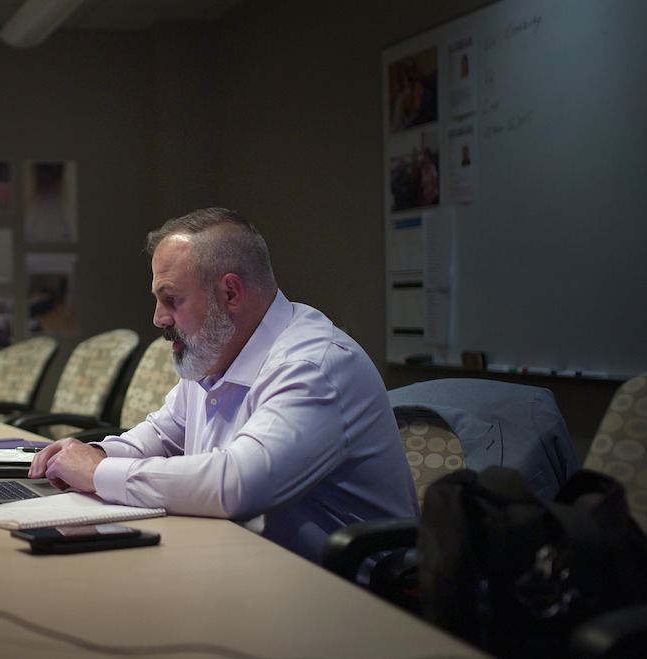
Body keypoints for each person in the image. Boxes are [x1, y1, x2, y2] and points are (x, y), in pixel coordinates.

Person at [29, 208, 419, 561]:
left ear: (230, 293)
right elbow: (159, 435)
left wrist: (99, 473)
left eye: (171, 299)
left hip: (343, 596)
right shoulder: (216, 351)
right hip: (243, 566)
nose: (158, 318)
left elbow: (238, 484)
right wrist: (89, 453)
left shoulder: (313, 366)